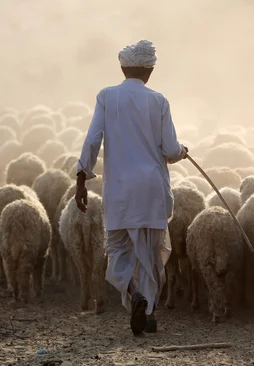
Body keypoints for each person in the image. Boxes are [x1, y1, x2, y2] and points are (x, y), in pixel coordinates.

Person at [76, 40, 188, 336]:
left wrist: (82, 176)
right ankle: (149, 314)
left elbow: (92, 139)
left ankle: (133, 292)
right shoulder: (159, 100)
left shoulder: (107, 96)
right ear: (149, 71)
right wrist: (182, 151)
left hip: (120, 190)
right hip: (152, 188)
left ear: (123, 68)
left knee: (118, 250)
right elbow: (170, 147)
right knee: (151, 253)